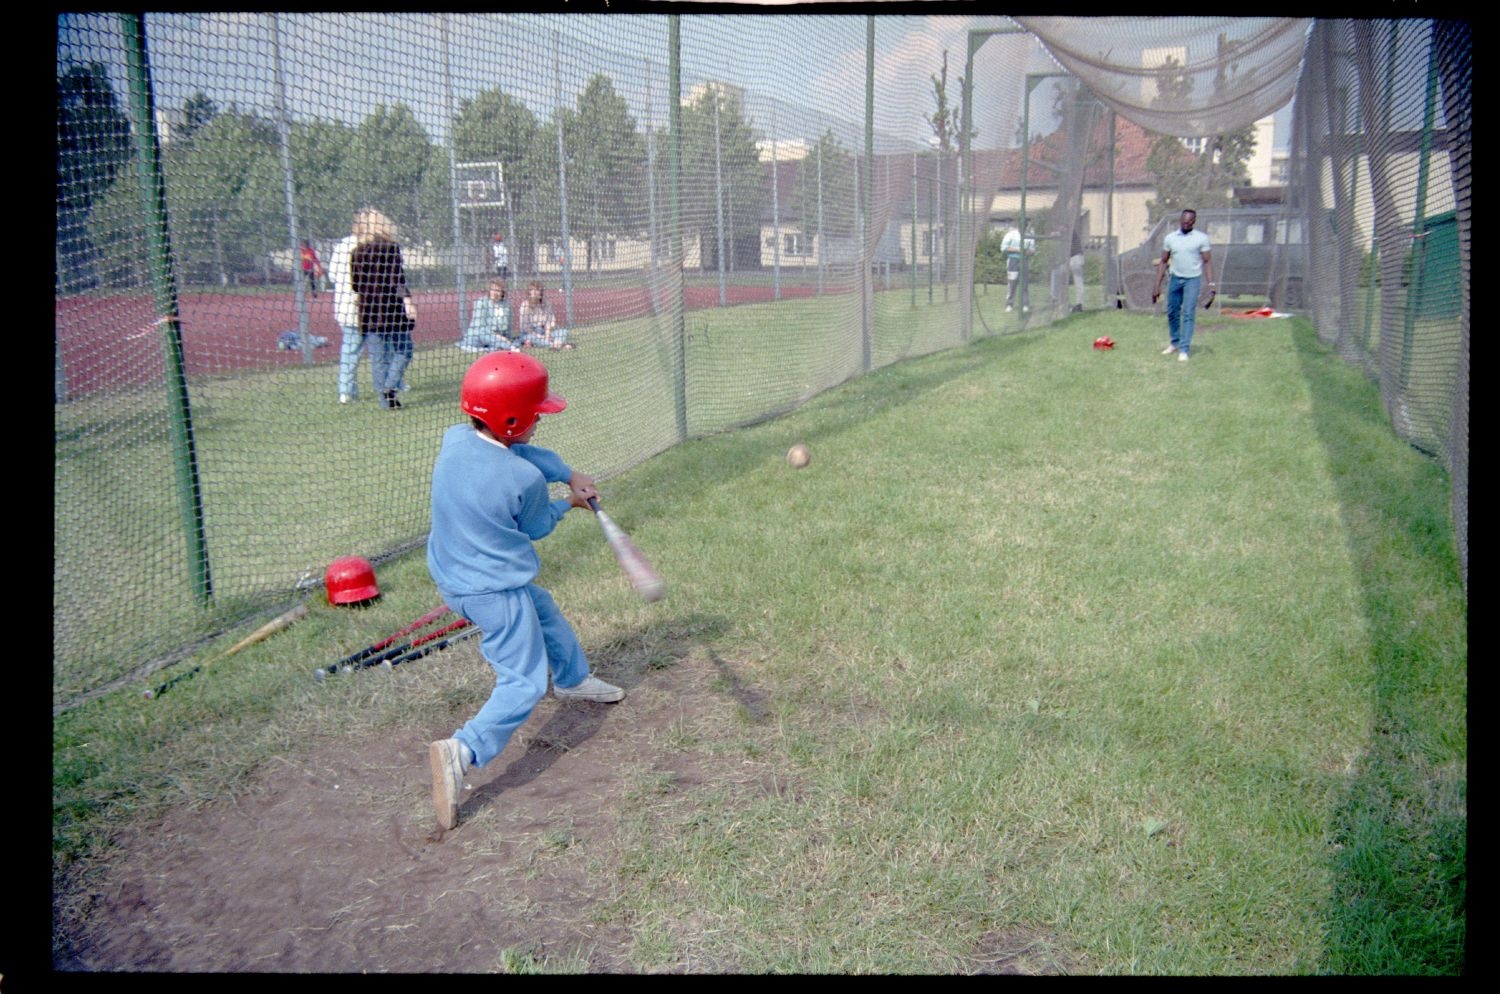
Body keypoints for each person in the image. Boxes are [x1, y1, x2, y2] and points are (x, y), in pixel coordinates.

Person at [425, 351, 624, 831]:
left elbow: (522, 453)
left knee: (545, 610)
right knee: (523, 681)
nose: (539, 421)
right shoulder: (522, 479)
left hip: (454, 578)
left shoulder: (456, 439)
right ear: (512, 418)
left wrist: (566, 472)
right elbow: (536, 524)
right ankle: (465, 749)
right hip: (494, 590)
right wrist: (569, 502)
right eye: (534, 414)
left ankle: (574, 678)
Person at [349, 210, 417, 408]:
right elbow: (398, 280)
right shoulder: (390, 248)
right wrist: (407, 301)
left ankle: (385, 401)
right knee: (404, 350)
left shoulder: (357, 252)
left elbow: (356, 285)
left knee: (378, 359)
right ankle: (390, 387)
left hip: (370, 313)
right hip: (392, 310)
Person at [1151, 208, 1215, 362]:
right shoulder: (1170, 238)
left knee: (1188, 313)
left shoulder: (1201, 238)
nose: (1185, 224)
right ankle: (1175, 343)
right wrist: (1156, 286)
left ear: (1194, 221)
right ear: (1180, 221)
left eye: (1189, 222)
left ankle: (1184, 349)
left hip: (1192, 280)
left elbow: (1207, 262)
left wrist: (1211, 284)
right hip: (1175, 279)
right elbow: (1163, 262)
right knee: (1172, 311)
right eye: (1183, 221)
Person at [330, 213, 368, 403]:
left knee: (350, 349)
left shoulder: (342, 245)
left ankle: (346, 390)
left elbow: (332, 275)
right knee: (383, 347)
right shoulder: (364, 246)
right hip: (361, 306)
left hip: (346, 306)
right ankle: (346, 390)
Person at [460, 278, 518, 353]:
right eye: (492, 290)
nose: (494, 293)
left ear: (502, 293)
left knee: (500, 343)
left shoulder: (506, 305)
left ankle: (501, 347)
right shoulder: (481, 303)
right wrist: (499, 337)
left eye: (497, 290)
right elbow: (480, 327)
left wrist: (507, 339)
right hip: (479, 336)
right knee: (484, 335)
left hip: (497, 338)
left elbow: (508, 326)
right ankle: (508, 347)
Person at [517, 281, 572, 350]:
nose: (534, 292)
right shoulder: (525, 305)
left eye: (536, 290)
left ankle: (555, 343)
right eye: (531, 290)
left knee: (563, 332)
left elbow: (550, 321)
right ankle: (557, 345)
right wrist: (540, 336)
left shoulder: (546, 304)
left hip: (544, 331)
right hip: (531, 333)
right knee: (528, 338)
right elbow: (525, 328)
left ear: (541, 292)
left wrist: (547, 334)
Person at [1051, 219, 1086, 313]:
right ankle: (1080, 304)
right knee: (1077, 281)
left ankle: (1055, 298)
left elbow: (1062, 234)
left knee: (1056, 273)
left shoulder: (1069, 232)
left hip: (1075, 259)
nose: (1058, 228)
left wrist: (1056, 233)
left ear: (1064, 226)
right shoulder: (1070, 232)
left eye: (1060, 226)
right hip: (1076, 259)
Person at [1001, 223, 1036, 313]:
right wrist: (1017, 250)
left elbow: (1032, 250)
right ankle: (1009, 304)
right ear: (1018, 226)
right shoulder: (1011, 235)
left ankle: (1025, 304)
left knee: (1024, 284)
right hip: (1013, 260)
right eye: (1021, 227)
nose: (1022, 229)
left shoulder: (1029, 236)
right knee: (1012, 283)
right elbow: (1004, 248)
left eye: (1024, 227)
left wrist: (1027, 252)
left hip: (1024, 261)